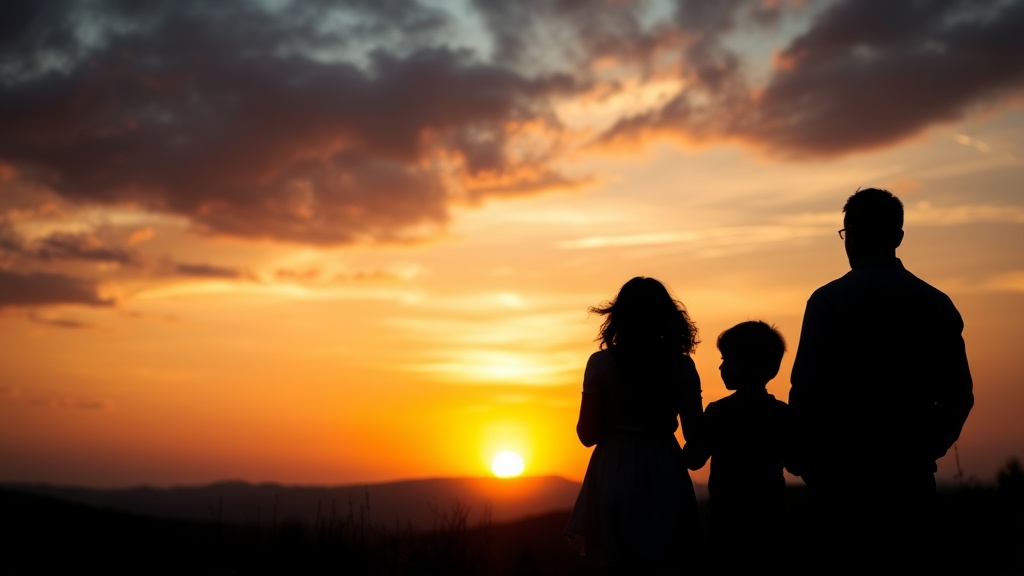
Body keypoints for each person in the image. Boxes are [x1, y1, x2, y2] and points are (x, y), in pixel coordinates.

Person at [788, 188, 975, 573]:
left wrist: (808, 461)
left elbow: (805, 392)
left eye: (847, 232)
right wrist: (930, 447)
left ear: (851, 234)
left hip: (841, 479)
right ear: (897, 237)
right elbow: (960, 395)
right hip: (909, 476)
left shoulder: (828, 301)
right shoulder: (936, 304)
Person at [564, 276, 704, 575]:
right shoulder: (682, 366)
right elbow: (696, 440)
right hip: (665, 466)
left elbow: (587, 435)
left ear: (619, 316)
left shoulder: (601, 364)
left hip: (614, 468)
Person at [682, 320, 793, 574]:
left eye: (727, 359)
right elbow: (797, 463)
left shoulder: (719, 412)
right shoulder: (781, 414)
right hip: (771, 524)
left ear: (746, 365)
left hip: (726, 526)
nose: (721, 366)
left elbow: (693, 459)